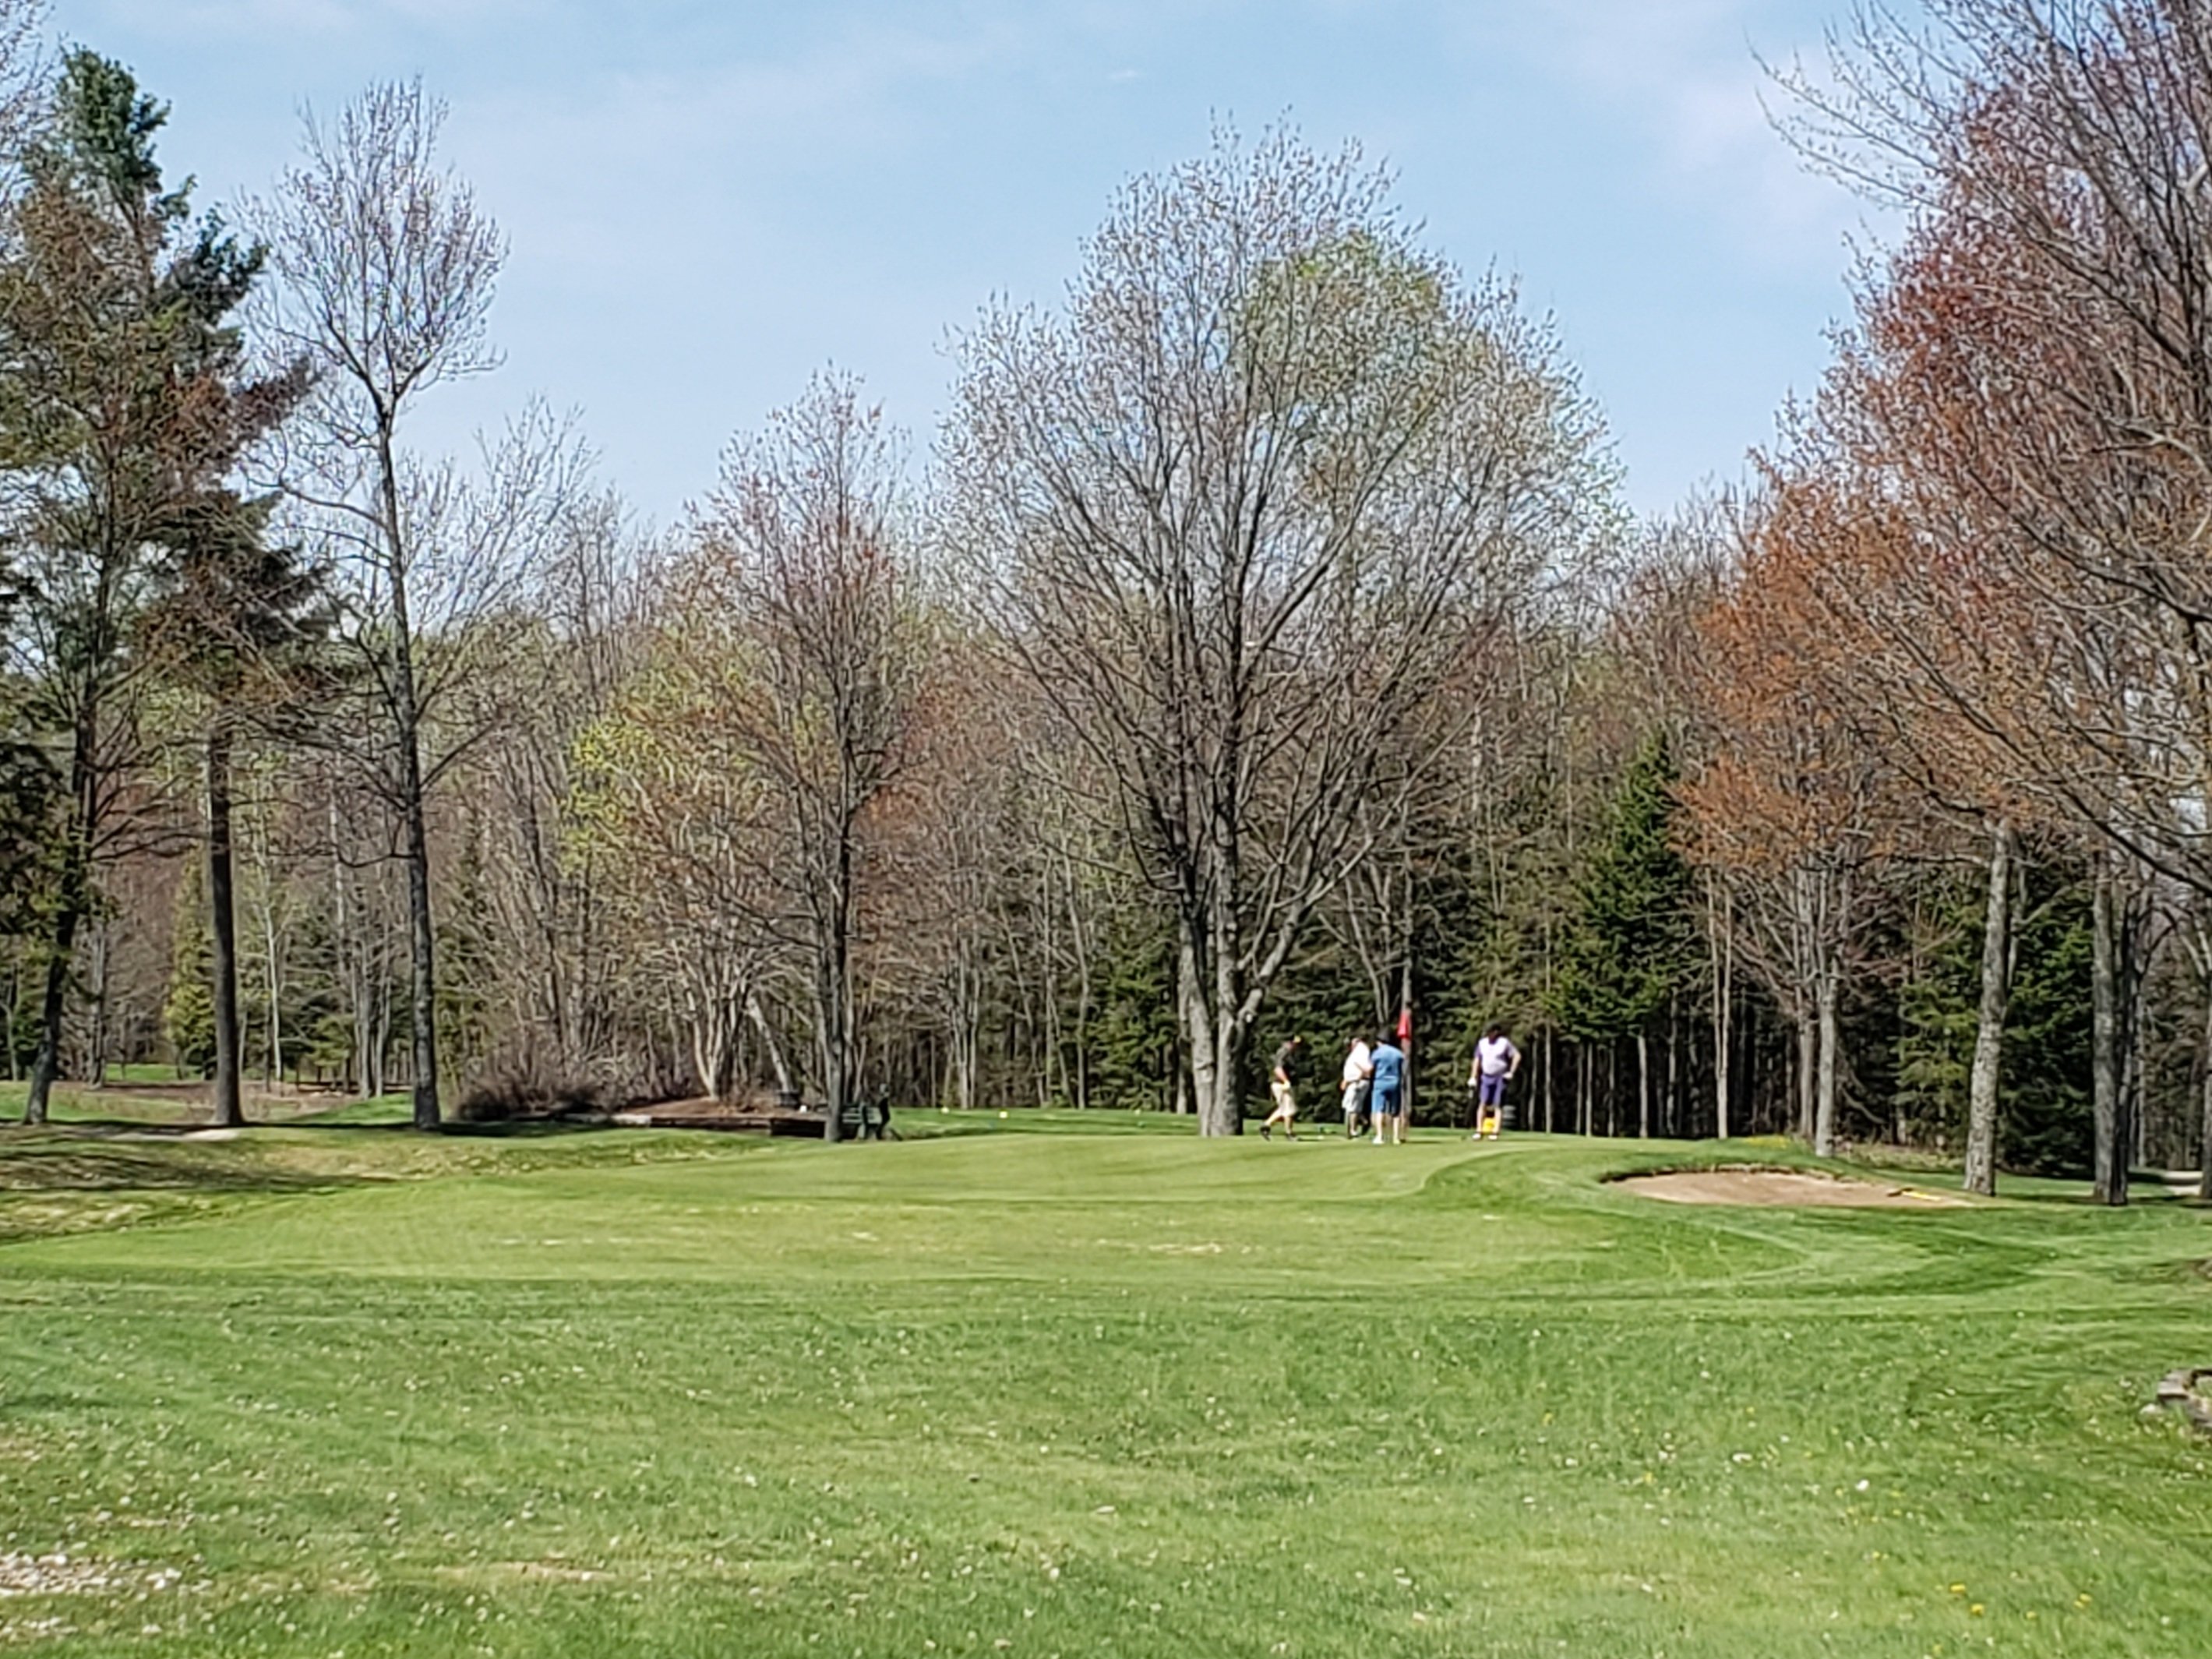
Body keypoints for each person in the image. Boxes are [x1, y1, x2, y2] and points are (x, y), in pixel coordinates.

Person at [1469, 1022, 1520, 1139]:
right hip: (1486, 1076)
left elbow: (1516, 1056)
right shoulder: (1482, 1043)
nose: (1489, 1035)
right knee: (1483, 1103)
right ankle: (1479, 1131)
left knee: (1498, 1104)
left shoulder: (1504, 1043)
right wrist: (1473, 1077)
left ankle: (1495, 1132)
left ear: (1496, 1032)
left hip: (1500, 1077)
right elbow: (1477, 1060)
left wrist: (1511, 1072)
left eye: (1490, 1032)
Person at [1261, 1034, 1302, 1140]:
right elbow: (1278, 1069)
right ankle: (1289, 1133)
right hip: (1281, 1084)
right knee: (1289, 1109)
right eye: (1294, 1043)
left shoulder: (1289, 1053)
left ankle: (1266, 1126)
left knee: (1284, 1108)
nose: (1296, 1046)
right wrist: (1286, 1081)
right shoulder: (1284, 1053)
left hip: (1282, 1084)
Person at [1368, 1030, 1406, 1144]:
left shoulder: (1377, 1053)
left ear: (1379, 1042)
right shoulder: (1398, 1053)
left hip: (1380, 1082)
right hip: (1395, 1082)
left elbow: (1371, 1068)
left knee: (1378, 1109)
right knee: (1395, 1111)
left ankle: (1380, 1136)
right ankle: (1396, 1137)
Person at [1339, 1032, 1372, 1138]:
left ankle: (1352, 1131)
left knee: (1352, 1107)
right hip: (1353, 1081)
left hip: (1357, 1082)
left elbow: (1366, 1068)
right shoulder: (1358, 1051)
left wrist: (1354, 1079)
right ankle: (1359, 1124)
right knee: (1350, 1106)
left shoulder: (1362, 1050)